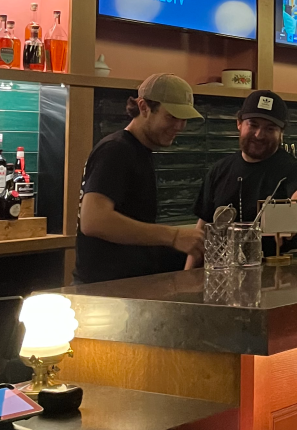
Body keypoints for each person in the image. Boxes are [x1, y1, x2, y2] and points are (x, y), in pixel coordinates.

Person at [75, 74, 205, 284]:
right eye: (172, 116)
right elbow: (93, 221)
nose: (180, 126)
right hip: (106, 291)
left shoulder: (137, 151)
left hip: (123, 287)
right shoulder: (116, 150)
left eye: (184, 119)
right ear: (144, 107)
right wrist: (173, 236)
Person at [191, 91, 297, 260]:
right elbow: (202, 232)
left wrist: (296, 218)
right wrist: (188, 277)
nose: (259, 135)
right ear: (239, 123)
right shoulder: (219, 170)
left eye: (270, 128)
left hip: (279, 277)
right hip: (226, 276)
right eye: (253, 125)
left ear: (281, 132)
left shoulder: (292, 169)